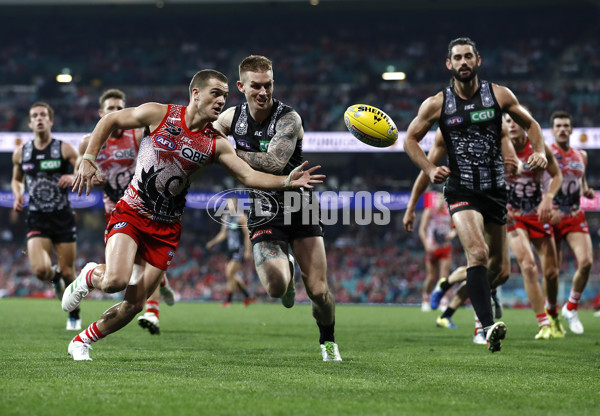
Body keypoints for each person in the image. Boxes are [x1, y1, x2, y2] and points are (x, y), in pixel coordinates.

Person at [61, 69, 324, 361]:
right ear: (196, 94)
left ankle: (82, 340)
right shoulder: (158, 114)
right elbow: (110, 120)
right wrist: (88, 158)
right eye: (216, 93)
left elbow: (249, 176)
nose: (222, 100)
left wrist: (287, 181)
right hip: (133, 212)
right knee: (114, 281)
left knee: (135, 305)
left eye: (225, 95)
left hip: (167, 228)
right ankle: (88, 275)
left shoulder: (216, 144)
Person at [403, 37, 548, 353]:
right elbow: (410, 140)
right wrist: (429, 169)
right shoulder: (437, 105)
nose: (463, 62)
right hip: (461, 189)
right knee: (478, 255)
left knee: (501, 270)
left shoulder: (499, 95)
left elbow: (532, 124)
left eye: (468, 56)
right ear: (449, 64)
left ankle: (467, 299)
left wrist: (540, 152)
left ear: (478, 60)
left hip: (495, 190)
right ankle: (486, 327)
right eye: (457, 57)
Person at [215, 55, 341, 362]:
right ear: (241, 86)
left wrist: (228, 152)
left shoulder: (289, 118)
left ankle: (328, 340)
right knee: (275, 287)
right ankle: (287, 277)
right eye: (255, 86)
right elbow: (207, 134)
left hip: (301, 207)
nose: (263, 92)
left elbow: (274, 163)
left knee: (319, 292)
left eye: (268, 84)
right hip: (262, 208)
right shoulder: (232, 117)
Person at [78, 88, 175, 336]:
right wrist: (87, 175)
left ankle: (152, 311)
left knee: (145, 262)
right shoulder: (88, 142)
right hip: (114, 210)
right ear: (101, 113)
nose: (116, 112)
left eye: (120, 107)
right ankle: (159, 284)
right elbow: (83, 170)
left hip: (142, 207)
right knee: (120, 276)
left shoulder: (136, 135)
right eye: (110, 109)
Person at [11, 102, 81, 330]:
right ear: (30, 123)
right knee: (41, 271)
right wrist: (18, 193)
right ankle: (55, 278)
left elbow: (82, 165)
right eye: (35, 116)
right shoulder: (22, 152)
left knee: (70, 272)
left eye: (43, 115)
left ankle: (74, 313)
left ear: (50, 121)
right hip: (37, 217)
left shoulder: (64, 149)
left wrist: (73, 177)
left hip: (62, 217)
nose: (39, 118)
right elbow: (17, 178)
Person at [503, 112, 565, 339]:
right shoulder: (499, 150)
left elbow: (557, 175)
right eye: (507, 121)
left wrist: (548, 198)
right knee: (528, 266)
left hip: (537, 214)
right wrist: (502, 206)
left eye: (515, 121)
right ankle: (543, 324)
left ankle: (554, 313)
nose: (511, 125)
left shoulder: (538, 148)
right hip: (514, 216)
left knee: (551, 272)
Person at [549, 110, 594, 334]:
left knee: (586, 262)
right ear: (553, 130)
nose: (563, 129)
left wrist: (586, 191)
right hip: (552, 216)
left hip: (574, 215)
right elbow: (538, 183)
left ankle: (571, 307)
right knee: (552, 271)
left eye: (566, 125)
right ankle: (552, 313)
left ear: (571, 128)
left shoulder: (581, 155)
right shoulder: (546, 153)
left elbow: (581, 181)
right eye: (558, 126)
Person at [206, 196, 255, 307]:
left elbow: (247, 234)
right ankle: (248, 296)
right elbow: (223, 234)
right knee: (232, 275)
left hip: (239, 249)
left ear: (236, 205)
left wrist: (248, 250)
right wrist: (213, 242)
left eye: (231, 204)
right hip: (230, 250)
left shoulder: (241, 217)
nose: (229, 206)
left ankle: (228, 300)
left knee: (230, 273)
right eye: (228, 204)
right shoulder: (226, 217)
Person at [417, 191, 456, 312]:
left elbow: (455, 229)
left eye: (441, 197)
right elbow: (422, 229)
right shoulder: (430, 211)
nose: (440, 200)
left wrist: (451, 235)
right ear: (434, 199)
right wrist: (426, 244)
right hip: (432, 247)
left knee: (444, 276)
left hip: (445, 247)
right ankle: (425, 298)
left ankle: (443, 300)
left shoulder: (449, 212)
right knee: (431, 277)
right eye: (438, 198)